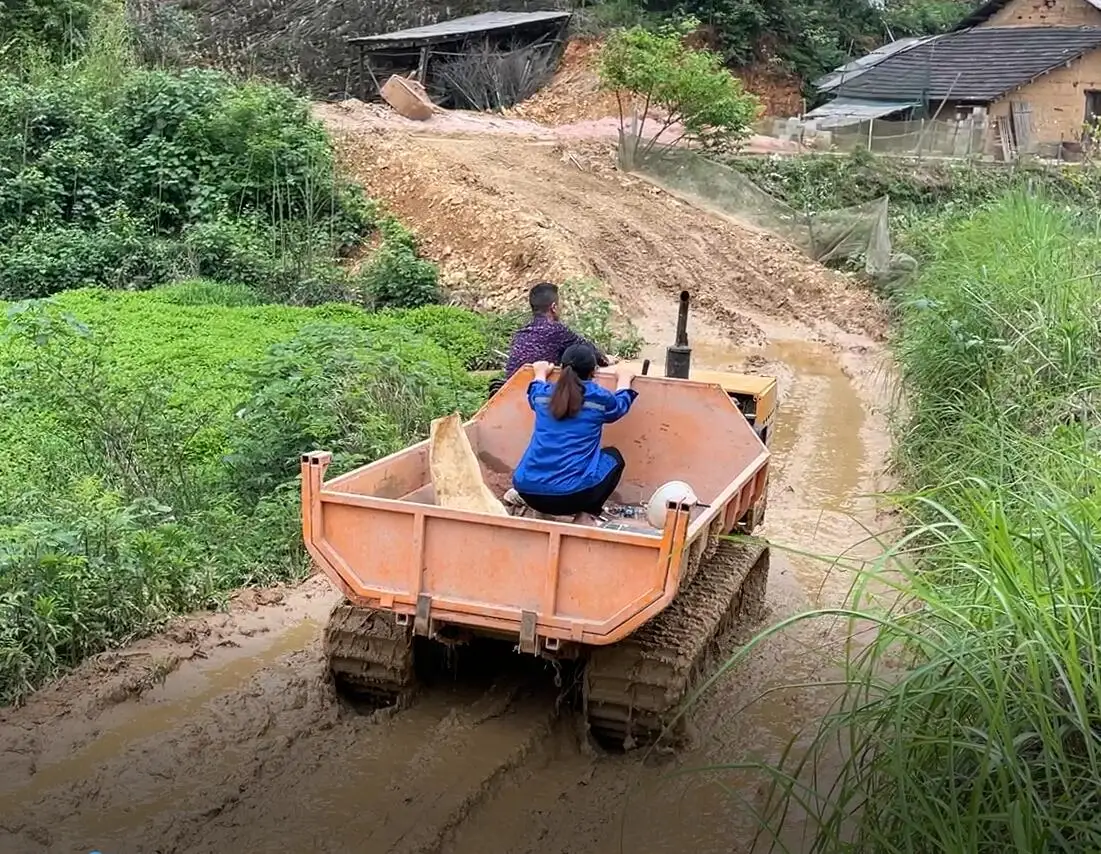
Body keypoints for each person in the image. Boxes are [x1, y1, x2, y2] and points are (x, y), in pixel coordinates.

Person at [511, 343, 638, 523]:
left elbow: (534, 391)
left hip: (528, 491)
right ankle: (587, 514)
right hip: (570, 497)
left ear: (562, 368)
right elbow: (619, 406)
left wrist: (540, 372)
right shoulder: (598, 398)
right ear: (593, 371)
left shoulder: (543, 395)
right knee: (614, 457)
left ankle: (536, 509)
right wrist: (624, 379)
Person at [503, 282, 617, 380]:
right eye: (560, 304)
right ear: (554, 307)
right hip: (537, 393)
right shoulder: (556, 331)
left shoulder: (520, 334)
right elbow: (587, 349)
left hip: (511, 389)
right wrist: (606, 360)